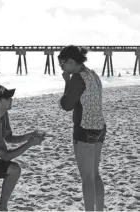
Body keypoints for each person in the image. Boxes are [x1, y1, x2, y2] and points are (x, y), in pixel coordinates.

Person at [58, 45, 107, 211]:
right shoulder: (92, 74)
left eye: (62, 64)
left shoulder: (78, 78)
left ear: (71, 61)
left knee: (87, 178)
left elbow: (66, 105)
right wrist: (68, 82)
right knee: (95, 174)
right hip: (99, 128)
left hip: (85, 129)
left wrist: (67, 83)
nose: (62, 67)